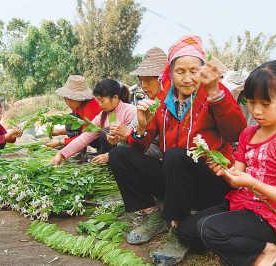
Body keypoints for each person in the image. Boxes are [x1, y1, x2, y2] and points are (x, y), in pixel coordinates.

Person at [108, 35, 246, 265]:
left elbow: (236, 134)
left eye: (194, 71)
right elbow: (140, 145)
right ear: (170, 73)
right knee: (120, 154)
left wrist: (216, 96)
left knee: (175, 156)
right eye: (180, 71)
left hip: (209, 179)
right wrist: (141, 127)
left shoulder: (213, 94)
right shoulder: (162, 101)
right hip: (175, 179)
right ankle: (155, 215)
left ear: (202, 72)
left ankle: (180, 230)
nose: (187, 78)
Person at [177, 60, 276, 266]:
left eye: (265, 104)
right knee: (186, 232)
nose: (256, 111)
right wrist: (225, 171)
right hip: (241, 204)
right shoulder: (248, 134)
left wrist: (254, 184)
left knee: (209, 229)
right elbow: (236, 180)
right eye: (251, 102)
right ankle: (237, 244)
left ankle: (267, 250)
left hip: (270, 218)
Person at [52, 79, 136, 165]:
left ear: (115, 98)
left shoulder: (131, 112)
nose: (99, 104)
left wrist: (109, 156)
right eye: (98, 101)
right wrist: (62, 154)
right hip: (114, 157)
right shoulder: (104, 115)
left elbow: (137, 143)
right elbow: (84, 138)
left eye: (102, 101)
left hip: (129, 160)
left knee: (106, 132)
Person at [107, 47, 168, 160]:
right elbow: (135, 127)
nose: (143, 86)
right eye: (141, 81)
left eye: (148, 80)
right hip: (147, 146)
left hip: (162, 154)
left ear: (163, 79)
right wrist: (120, 136)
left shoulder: (167, 102)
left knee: (121, 151)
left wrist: (128, 134)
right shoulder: (150, 102)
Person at [46, 75, 101, 148]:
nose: (67, 103)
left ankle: (103, 152)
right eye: (65, 99)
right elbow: (77, 128)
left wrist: (61, 142)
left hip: (101, 137)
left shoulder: (90, 107)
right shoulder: (77, 105)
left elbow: (86, 136)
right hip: (89, 133)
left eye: (70, 99)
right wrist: (58, 132)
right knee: (71, 120)